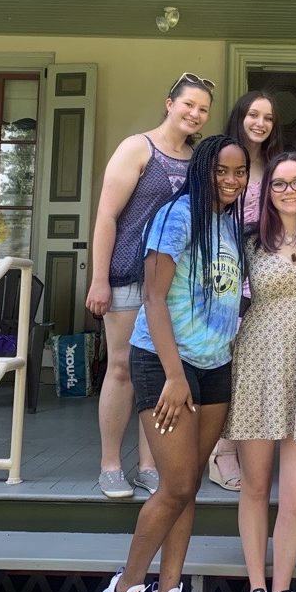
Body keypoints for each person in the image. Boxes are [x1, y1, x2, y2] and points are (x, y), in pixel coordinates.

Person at [100, 135, 249, 592]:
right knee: (179, 483)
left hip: (215, 365)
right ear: (203, 170)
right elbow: (153, 297)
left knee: (187, 487)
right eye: (221, 170)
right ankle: (124, 589)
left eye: (239, 171)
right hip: (166, 364)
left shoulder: (229, 223)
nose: (230, 180)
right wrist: (174, 374)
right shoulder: (176, 215)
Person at [86, 73, 214, 498]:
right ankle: (109, 465)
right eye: (188, 105)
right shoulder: (137, 148)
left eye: (203, 109)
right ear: (169, 103)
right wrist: (99, 279)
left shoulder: (199, 159)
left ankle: (148, 464)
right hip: (127, 275)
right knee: (121, 368)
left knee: (159, 373)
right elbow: (107, 216)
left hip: (176, 287)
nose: (195, 114)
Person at [223, 153, 296, 592]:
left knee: (294, 496)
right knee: (254, 487)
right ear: (267, 193)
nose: (288, 190)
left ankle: (284, 588)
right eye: (278, 184)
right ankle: (256, 587)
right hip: (256, 365)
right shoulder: (250, 241)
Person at [208, 90, 285, 493]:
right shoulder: (222, 160)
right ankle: (222, 450)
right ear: (240, 116)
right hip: (224, 271)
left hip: (261, 274)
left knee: (251, 366)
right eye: (253, 114)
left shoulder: (275, 167)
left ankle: (246, 449)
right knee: (226, 364)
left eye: (268, 118)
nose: (260, 123)